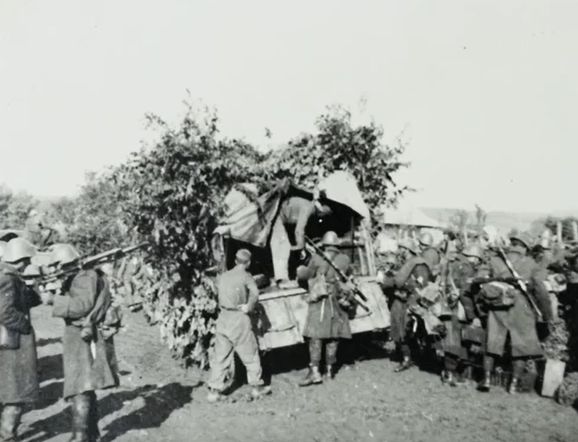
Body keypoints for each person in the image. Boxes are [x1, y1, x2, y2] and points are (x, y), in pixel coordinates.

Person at [51, 244, 119, 441]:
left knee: (79, 386)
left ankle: (80, 437)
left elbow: (81, 306)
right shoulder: (86, 274)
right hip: (84, 334)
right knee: (85, 384)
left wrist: (53, 300)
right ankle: (90, 434)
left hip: (82, 336)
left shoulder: (84, 277)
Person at [476, 232, 553, 393]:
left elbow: (479, 279)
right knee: (521, 346)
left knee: (492, 343)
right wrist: (547, 315)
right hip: (521, 308)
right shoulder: (531, 264)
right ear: (525, 247)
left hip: (497, 305)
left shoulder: (495, 260)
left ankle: (487, 379)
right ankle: (513, 384)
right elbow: (540, 290)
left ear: (512, 244)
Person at [207, 249, 270, 402]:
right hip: (238, 318)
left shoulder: (223, 276)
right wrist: (249, 306)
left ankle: (214, 392)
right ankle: (256, 388)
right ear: (248, 263)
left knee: (221, 356)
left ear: (235, 261)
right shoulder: (246, 276)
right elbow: (255, 293)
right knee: (250, 354)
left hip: (223, 319)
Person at [297, 231, 353, 386]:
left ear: (324, 244)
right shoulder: (344, 259)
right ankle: (329, 371)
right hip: (337, 301)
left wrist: (300, 270)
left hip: (320, 301)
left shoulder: (317, 258)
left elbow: (306, 275)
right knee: (333, 336)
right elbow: (348, 275)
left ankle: (315, 372)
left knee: (315, 336)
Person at [0, 238, 40, 441]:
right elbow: (5, 312)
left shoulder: (10, 276)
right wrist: (25, 326)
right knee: (15, 395)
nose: (28, 263)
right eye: (27, 259)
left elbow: (27, 301)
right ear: (20, 259)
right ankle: (7, 436)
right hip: (13, 343)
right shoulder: (8, 279)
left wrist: (31, 289)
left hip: (8, 343)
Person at [385, 238, 432, 372]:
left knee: (409, 330)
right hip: (399, 299)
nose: (399, 251)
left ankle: (416, 357)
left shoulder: (419, 264)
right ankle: (406, 356)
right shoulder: (403, 263)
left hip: (412, 300)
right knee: (398, 328)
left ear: (407, 250)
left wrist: (406, 287)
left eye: (402, 248)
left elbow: (422, 285)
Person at [271, 190, 332, 283]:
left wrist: (303, 245)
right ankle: (281, 279)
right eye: (325, 213)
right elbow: (299, 230)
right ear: (322, 208)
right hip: (277, 215)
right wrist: (301, 247)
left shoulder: (309, 208)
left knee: (286, 246)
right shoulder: (308, 207)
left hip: (283, 217)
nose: (323, 216)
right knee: (282, 246)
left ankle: (283, 277)